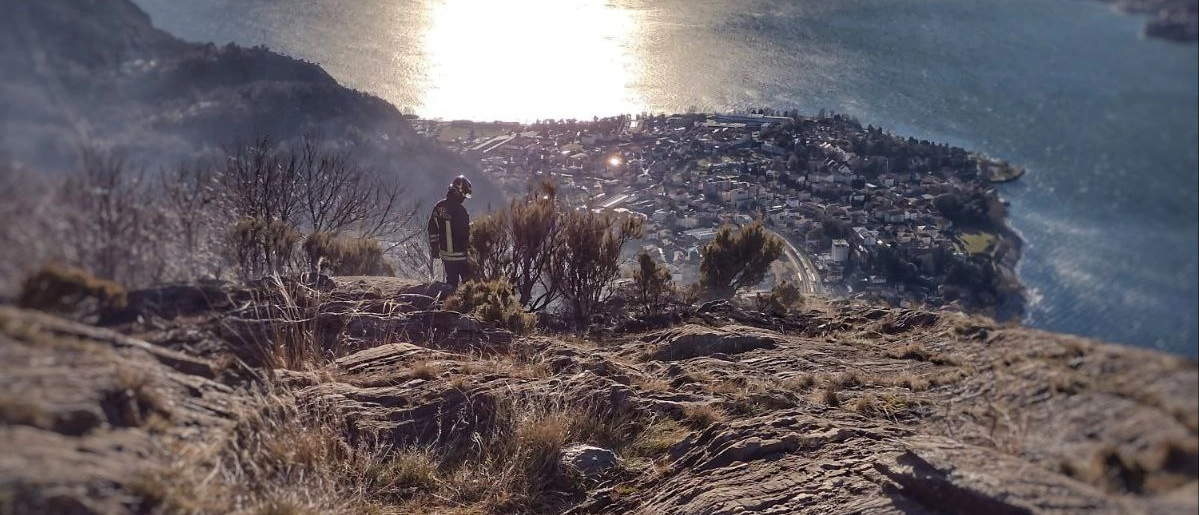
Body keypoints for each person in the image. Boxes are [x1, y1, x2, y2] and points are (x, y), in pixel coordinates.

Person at [427, 175, 472, 289]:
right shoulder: (460, 211)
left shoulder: (439, 206)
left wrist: (435, 248)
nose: (464, 198)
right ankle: (463, 305)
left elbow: (432, 228)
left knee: (451, 284)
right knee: (469, 283)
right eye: (464, 195)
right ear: (459, 192)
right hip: (460, 256)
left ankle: (449, 302)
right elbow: (464, 234)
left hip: (446, 256)